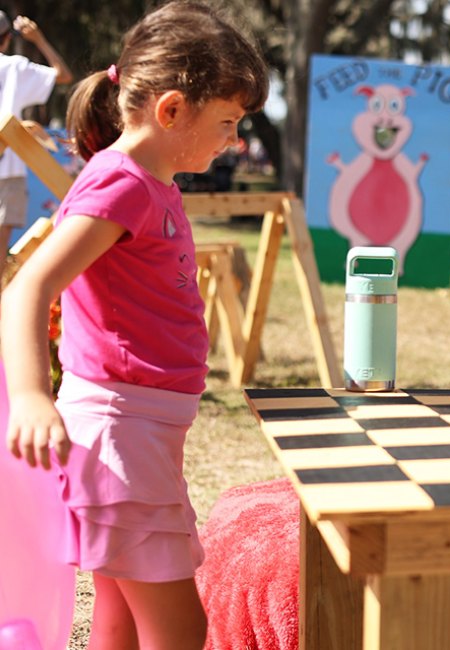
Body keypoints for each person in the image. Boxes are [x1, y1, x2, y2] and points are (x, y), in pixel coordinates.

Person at [0, 2, 268, 648]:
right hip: (120, 437)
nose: (233, 141)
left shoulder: (153, 181)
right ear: (171, 110)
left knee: (118, 624)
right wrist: (32, 396)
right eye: (227, 122)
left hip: (137, 436)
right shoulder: (119, 184)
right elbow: (29, 288)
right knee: (180, 630)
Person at [0, 10, 73, 283]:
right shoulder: (16, 68)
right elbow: (63, 75)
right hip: (9, 164)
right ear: (6, 39)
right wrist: (38, 39)